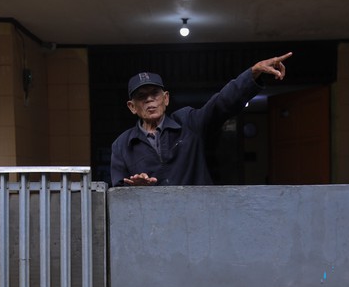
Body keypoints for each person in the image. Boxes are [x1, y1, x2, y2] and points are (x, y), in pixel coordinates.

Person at [110, 52, 293, 187]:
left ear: (165, 98)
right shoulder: (122, 145)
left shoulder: (188, 123)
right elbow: (117, 195)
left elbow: (220, 104)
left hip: (198, 217)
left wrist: (252, 73)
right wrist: (135, 189)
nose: (149, 100)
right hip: (153, 226)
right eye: (142, 97)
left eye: (154, 94)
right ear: (132, 107)